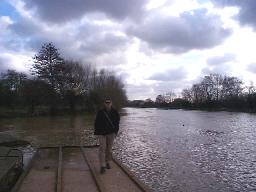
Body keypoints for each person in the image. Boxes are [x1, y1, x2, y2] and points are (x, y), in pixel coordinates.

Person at [94, 96, 120, 174]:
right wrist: (96, 133)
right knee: (102, 148)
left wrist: (116, 132)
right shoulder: (100, 112)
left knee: (109, 149)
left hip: (111, 133)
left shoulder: (115, 112)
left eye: (109, 102)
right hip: (102, 134)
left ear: (111, 103)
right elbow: (96, 123)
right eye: (106, 102)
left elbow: (117, 123)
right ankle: (102, 166)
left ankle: (107, 161)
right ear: (104, 103)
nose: (108, 104)